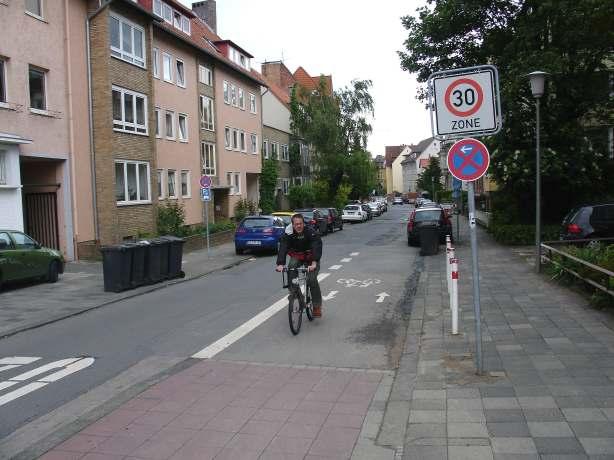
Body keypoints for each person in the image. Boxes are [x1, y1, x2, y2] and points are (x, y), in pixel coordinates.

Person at [275, 213, 323, 317]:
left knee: (311, 279)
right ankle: (295, 293)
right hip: (298, 256)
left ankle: (316, 306)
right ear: (292, 225)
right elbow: (283, 247)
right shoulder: (288, 233)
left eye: (300, 223)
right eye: (296, 224)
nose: (299, 226)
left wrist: (314, 262)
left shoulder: (310, 232)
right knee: (291, 267)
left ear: (303, 223)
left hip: (312, 257)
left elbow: (316, 246)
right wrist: (280, 264)